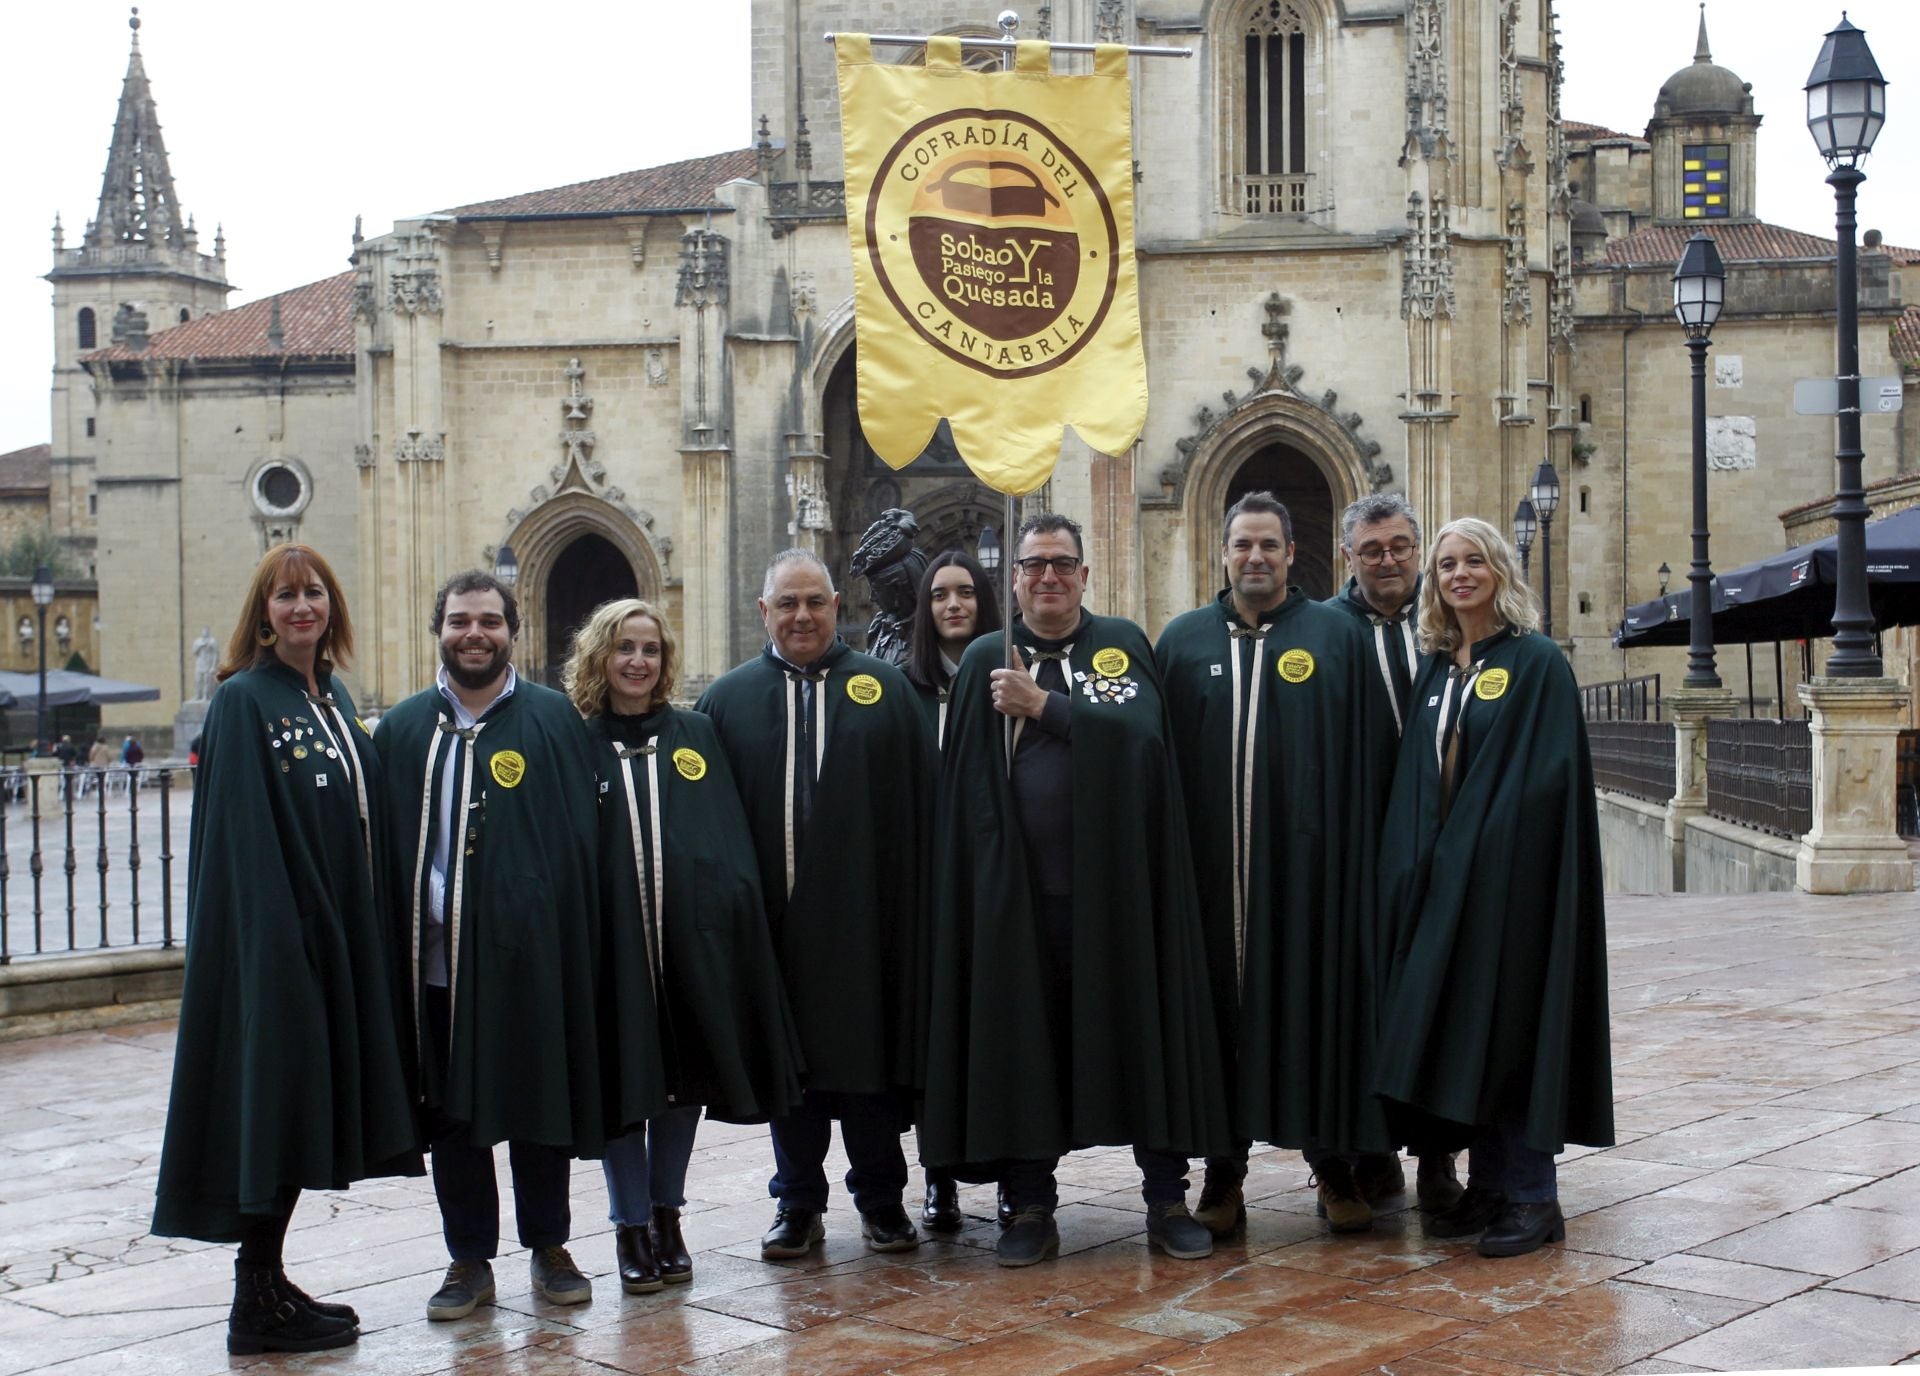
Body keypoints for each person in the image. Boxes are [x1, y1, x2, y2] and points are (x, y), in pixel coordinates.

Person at [925, 513, 1230, 1268]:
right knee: (1028, 1049)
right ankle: (1030, 1204)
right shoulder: (982, 667)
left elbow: (1146, 746)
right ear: (1016, 578)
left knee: (1139, 1037)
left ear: (1085, 575)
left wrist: (1048, 710)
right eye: (1034, 565)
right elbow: (965, 796)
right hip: (1020, 908)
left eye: (1063, 563)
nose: (1049, 576)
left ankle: (1166, 1199)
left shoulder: (1121, 646)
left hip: (1119, 898)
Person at [152, 543, 420, 1355]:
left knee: (307, 1112)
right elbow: (240, 839)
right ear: (262, 614)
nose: (302, 607)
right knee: (276, 1107)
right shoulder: (244, 702)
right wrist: (277, 952)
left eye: (314, 593)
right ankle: (253, 1298)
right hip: (282, 951)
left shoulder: (329, 699)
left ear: (331, 606)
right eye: (285, 596)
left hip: (340, 940)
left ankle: (267, 1280)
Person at [374, 571, 612, 1320]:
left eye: (488, 621)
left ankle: (550, 1246)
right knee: (452, 1115)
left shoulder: (553, 721)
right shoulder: (404, 730)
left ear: (514, 630)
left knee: (538, 1099)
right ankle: (467, 1259)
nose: (473, 633)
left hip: (531, 958)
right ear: (437, 631)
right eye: (458, 621)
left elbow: (580, 843)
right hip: (436, 964)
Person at [1374, 517, 1614, 1258]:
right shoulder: (1442, 668)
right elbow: (1419, 777)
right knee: (1464, 1030)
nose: (1459, 574)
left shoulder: (1537, 662)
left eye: (1474, 561)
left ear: (1500, 571)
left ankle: (1534, 1196)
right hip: (1444, 887)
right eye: (1447, 565)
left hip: (1511, 888)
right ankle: (1488, 1184)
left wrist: (1475, 854)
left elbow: (1540, 781)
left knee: (1513, 1028)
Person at [1157, 492, 1395, 1238]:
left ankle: (1331, 1168)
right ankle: (1223, 1174)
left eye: (1269, 545)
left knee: (1311, 1014)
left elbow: (1369, 755)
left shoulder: (1334, 636)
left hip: (1310, 880)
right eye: (1242, 546)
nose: (1255, 557)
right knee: (1219, 1026)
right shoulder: (1183, 642)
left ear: (1294, 554)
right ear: (1221, 554)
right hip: (1209, 882)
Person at [563, 598, 805, 1293]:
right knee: (623, 1086)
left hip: (687, 947)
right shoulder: (576, 741)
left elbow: (723, 839)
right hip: (612, 951)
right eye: (624, 648)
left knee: (681, 1083)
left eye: (651, 649)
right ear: (600, 655)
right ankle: (629, 1225)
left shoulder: (695, 735)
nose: (638, 661)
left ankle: (668, 1216)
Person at [697, 550, 932, 1261]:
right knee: (787, 1072)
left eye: (816, 603)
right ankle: (796, 1203)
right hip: (772, 924)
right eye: (787, 604)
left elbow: (921, 804)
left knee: (866, 1067)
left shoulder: (884, 690)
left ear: (838, 607)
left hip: (868, 921)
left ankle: (882, 1200)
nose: (802, 616)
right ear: (763, 612)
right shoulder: (727, 701)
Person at [1325, 494, 1463, 1220]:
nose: (1388, 560)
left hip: (1436, 843)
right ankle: (1366, 1151)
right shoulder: (1322, 630)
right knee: (1358, 1006)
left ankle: (1438, 1156)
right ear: (1348, 554)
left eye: (1401, 546)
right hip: (1353, 850)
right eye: (1372, 548)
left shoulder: (1447, 626)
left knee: (1433, 995)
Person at [900, 548, 1003, 1232]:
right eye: (940, 595)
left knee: (996, 1031)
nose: (953, 605)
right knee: (934, 1038)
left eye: (965, 592)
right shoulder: (900, 690)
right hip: (922, 889)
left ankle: (1010, 1171)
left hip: (991, 883)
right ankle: (938, 1178)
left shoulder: (1007, 680)